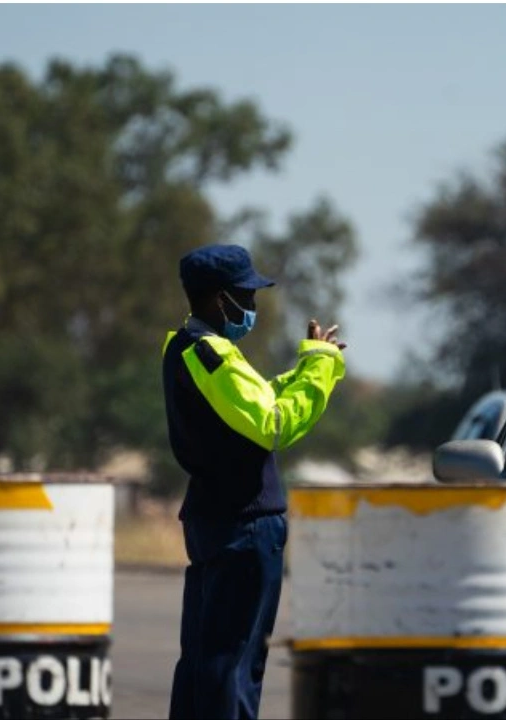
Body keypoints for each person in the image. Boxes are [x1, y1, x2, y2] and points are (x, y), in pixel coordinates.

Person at [161, 244, 347, 720]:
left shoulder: (191, 348)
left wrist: (312, 362)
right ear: (220, 299)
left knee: (207, 662)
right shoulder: (211, 355)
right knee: (233, 665)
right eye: (246, 295)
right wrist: (322, 370)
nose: (253, 307)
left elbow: (257, 399)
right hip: (241, 526)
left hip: (216, 517)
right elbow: (274, 423)